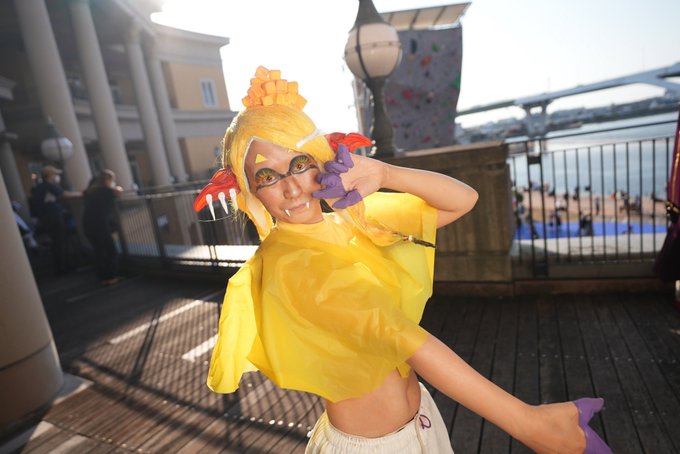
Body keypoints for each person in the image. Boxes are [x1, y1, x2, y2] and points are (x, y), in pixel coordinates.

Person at [196, 66, 612, 453]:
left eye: (299, 163)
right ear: (250, 191)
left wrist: (385, 173)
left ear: (319, 158)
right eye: (267, 176)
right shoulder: (288, 263)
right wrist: (527, 423)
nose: (290, 188)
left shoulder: (347, 220)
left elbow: (463, 200)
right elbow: (398, 335)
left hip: (421, 421)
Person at [30, 165, 81, 275]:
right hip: (53, 217)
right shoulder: (48, 185)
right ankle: (63, 268)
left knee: (57, 242)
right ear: (50, 175)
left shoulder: (40, 187)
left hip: (47, 218)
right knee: (60, 242)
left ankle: (61, 267)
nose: (56, 176)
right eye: (55, 174)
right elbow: (64, 194)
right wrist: (82, 194)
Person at [82, 169, 123, 286]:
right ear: (108, 180)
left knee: (99, 251)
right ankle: (111, 277)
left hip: (88, 224)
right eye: (112, 180)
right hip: (100, 225)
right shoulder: (107, 191)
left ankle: (103, 278)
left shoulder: (90, 192)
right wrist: (117, 188)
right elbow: (118, 191)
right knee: (111, 251)